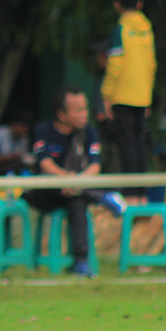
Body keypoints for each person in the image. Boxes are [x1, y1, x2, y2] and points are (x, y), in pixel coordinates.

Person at [21, 86, 126, 278]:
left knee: (77, 202)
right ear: (62, 114)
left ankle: (81, 263)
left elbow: (95, 167)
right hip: (46, 191)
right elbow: (45, 164)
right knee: (60, 189)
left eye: (85, 109)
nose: (84, 115)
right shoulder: (43, 130)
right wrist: (65, 179)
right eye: (78, 110)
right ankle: (103, 197)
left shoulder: (89, 133)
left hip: (75, 191)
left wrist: (76, 183)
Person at [101, 0, 156, 205]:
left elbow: (115, 64)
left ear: (117, 5)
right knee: (139, 143)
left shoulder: (120, 29)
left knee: (126, 144)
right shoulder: (147, 27)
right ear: (139, 4)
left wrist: (106, 95)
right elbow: (151, 63)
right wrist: (148, 94)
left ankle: (131, 196)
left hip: (122, 94)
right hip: (142, 95)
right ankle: (141, 195)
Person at [0, 109, 34, 175]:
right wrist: (11, 157)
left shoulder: (24, 138)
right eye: (23, 127)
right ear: (15, 125)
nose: (24, 130)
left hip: (17, 169)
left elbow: (24, 157)